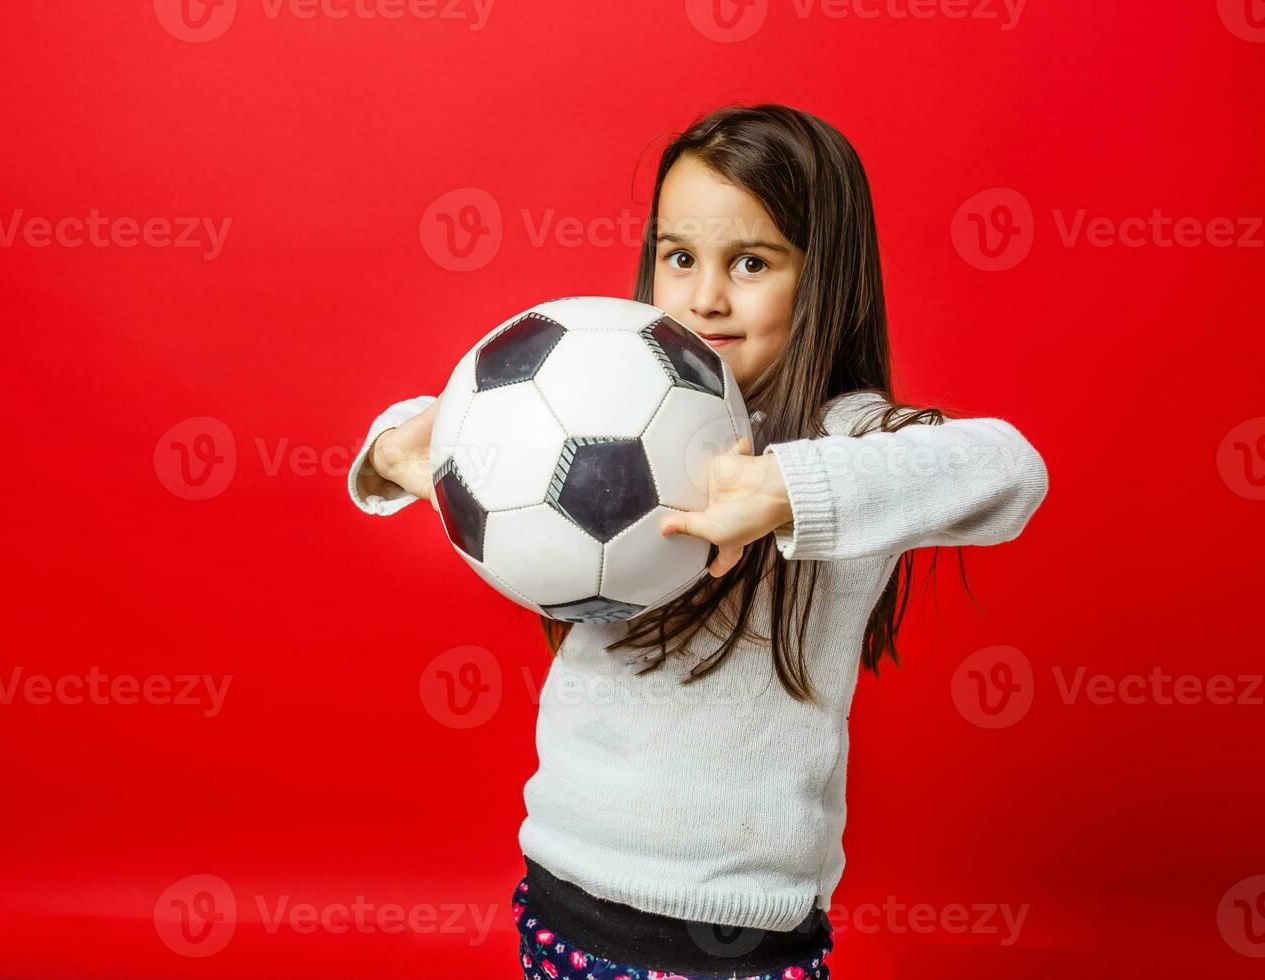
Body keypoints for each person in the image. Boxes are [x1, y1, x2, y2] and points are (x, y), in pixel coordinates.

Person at [346, 104, 1050, 979]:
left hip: (735, 936)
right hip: (561, 894)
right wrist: (395, 450)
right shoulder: (610, 390)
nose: (705, 296)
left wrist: (788, 490)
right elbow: (461, 423)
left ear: (824, 276)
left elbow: (1011, 470)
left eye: (751, 262)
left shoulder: (850, 439)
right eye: (680, 258)